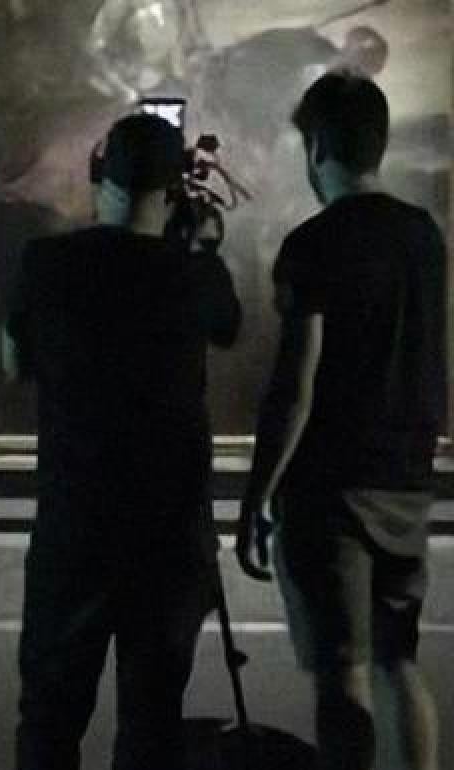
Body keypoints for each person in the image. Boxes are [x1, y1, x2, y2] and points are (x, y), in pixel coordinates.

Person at [6, 113, 241, 770]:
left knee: (48, 723)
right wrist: (201, 244)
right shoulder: (194, 273)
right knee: (151, 724)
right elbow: (228, 327)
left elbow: (14, 363)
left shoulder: (45, 262)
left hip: (73, 528)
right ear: (172, 190)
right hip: (169, 536)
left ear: (98, 175)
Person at [236, 73, 445, 770]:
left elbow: (297, 384)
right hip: (408, 481)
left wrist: (258, 492)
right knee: (398, 659)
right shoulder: (425, 238)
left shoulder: (314, 244)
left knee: (342, 669)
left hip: (333, 490)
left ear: (319, 145)